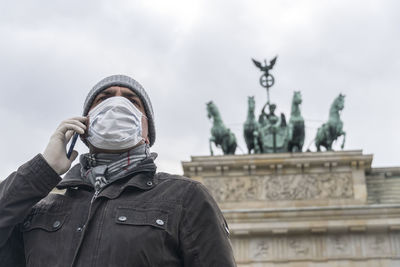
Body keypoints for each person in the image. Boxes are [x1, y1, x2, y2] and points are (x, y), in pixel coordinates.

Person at [0, 75, 236, 267]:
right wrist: (43, 168)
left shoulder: (185, 197)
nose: (117, 103)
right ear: (84, 125)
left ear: (147, 132)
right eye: (104, 98)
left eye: (132, 101)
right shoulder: (41, 207)